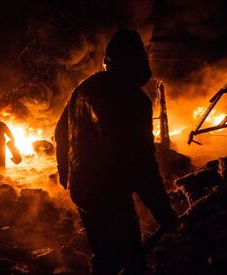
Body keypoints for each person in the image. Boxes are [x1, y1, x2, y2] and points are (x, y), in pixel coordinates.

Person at [54, 29, 178, 274]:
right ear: (138, 60)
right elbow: (142, 162)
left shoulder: (84, 87)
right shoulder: (134, 98)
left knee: (106, 254)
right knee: (126, 258)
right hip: (110, 193)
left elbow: (60, 131)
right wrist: (163, 212)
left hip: (82, 189)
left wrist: (65, 171)